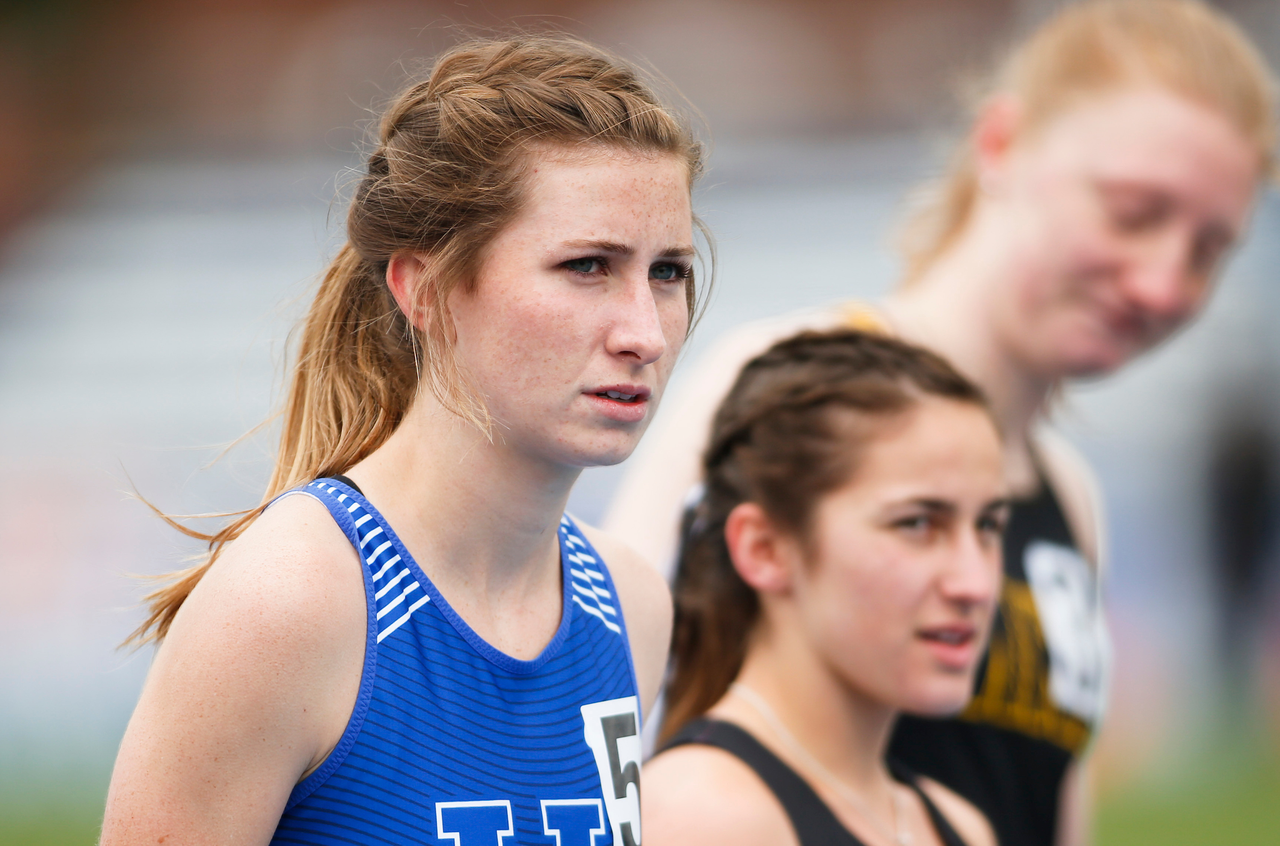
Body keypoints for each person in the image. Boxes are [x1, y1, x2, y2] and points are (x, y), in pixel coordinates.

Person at [603, 2, 1278, 844]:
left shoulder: (1068, 492)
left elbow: (1055, 799)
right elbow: (601, 715)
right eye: (1133, 213)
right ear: (1002, 147)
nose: (1163, 284)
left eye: (1209, 249)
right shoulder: (779, 386)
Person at [100, 35, 705, 845]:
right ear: (425, 289)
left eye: (668, 271)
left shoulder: (629, 604)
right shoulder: (288, 605)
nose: (645, 333)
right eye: (588, 266)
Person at [642, 328, 1010, 846]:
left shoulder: (959, 825)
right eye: (917, 524)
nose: (974, 583)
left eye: (988, 526)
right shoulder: (705, 814)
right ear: (765, 548)